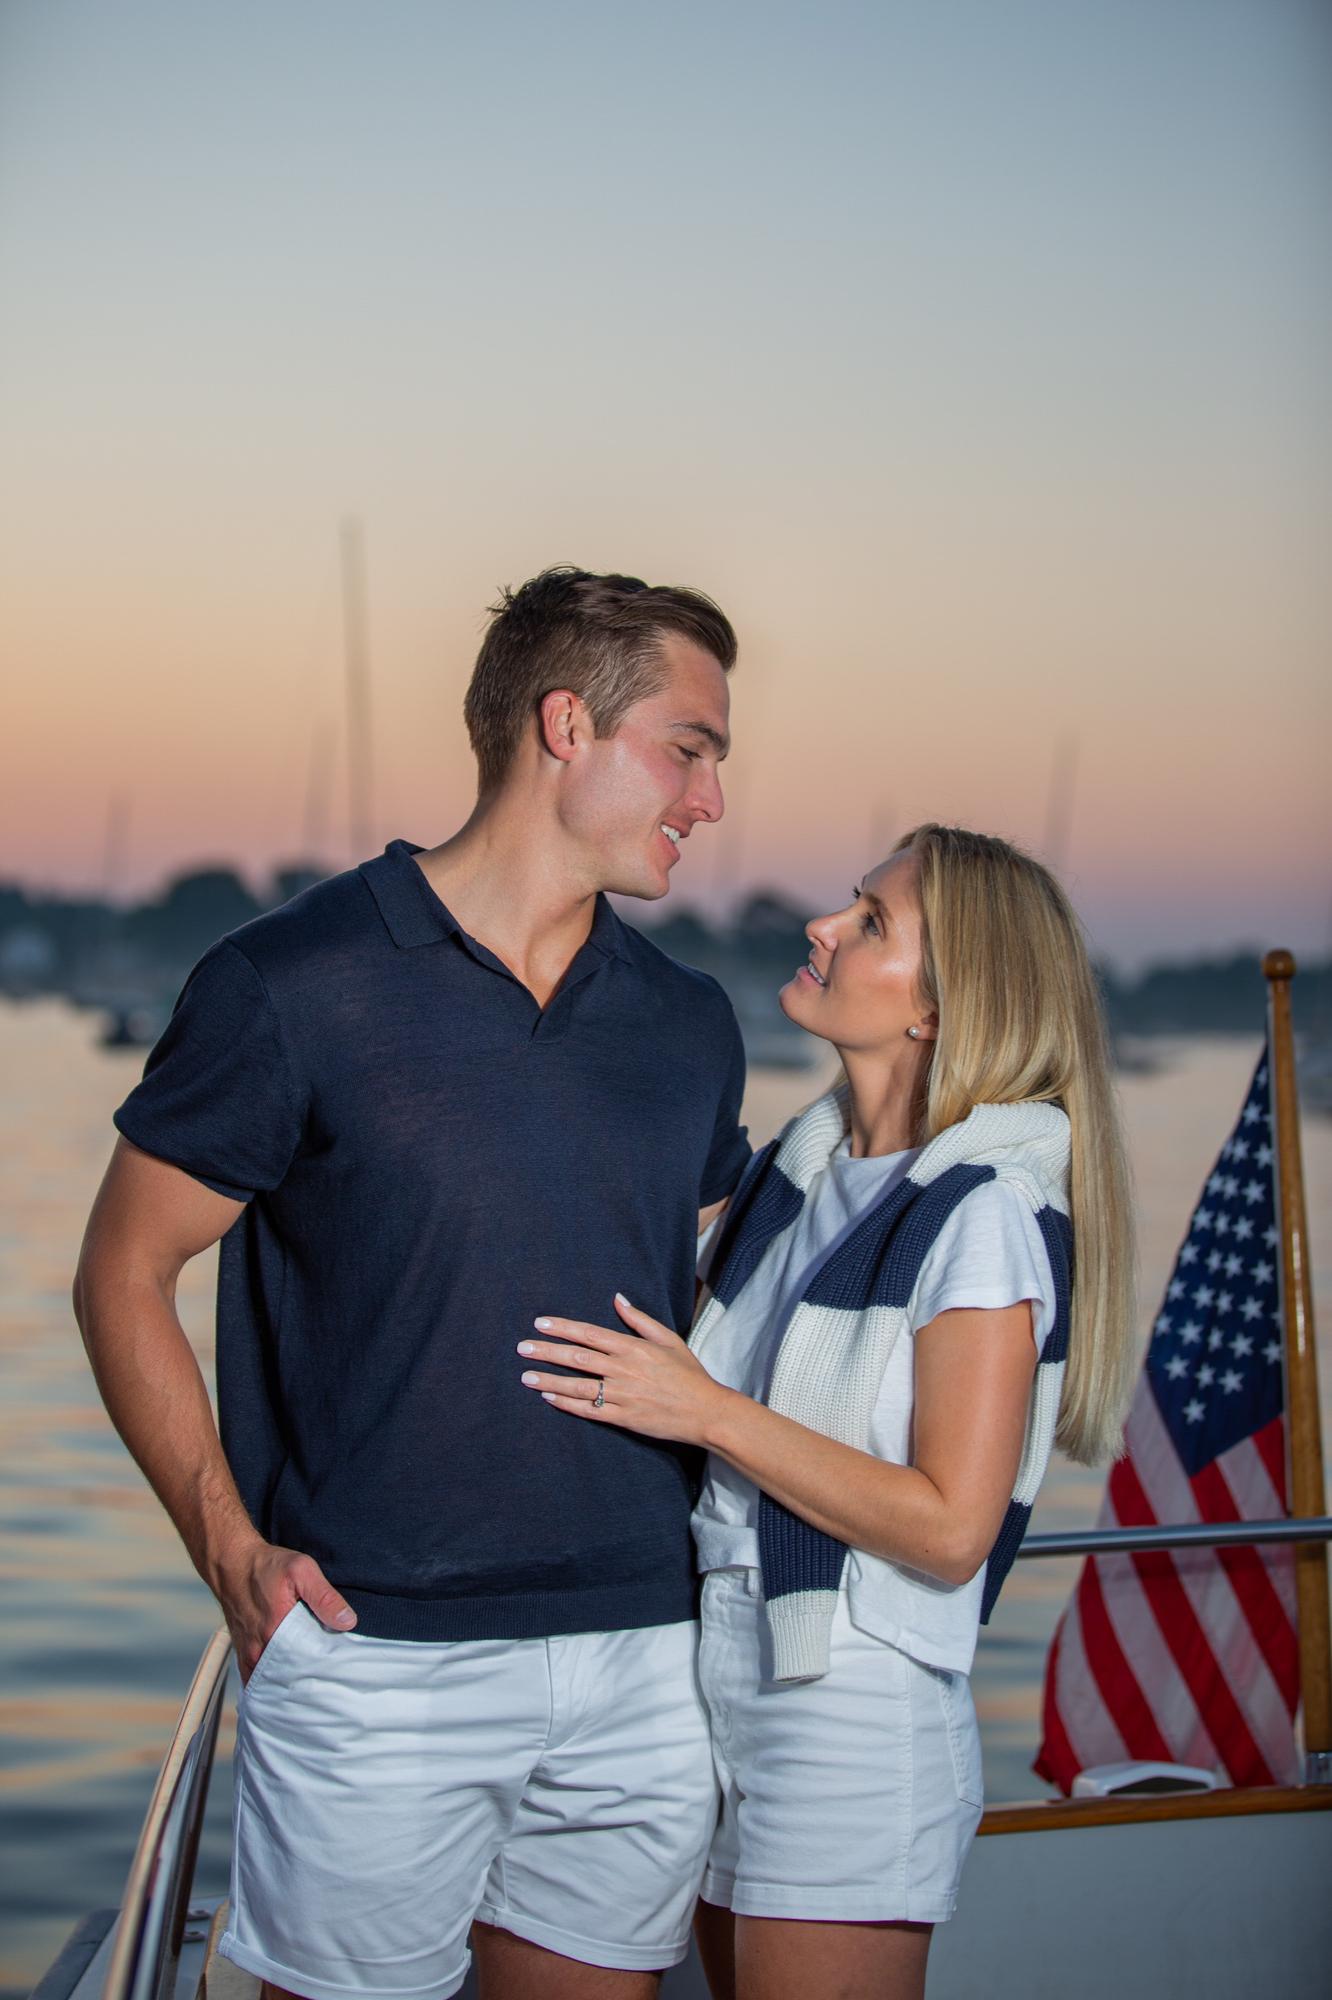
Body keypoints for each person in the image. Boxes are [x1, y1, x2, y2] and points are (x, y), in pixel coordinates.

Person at [73, 567, 754, 2000]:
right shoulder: (291, 981)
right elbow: (123, 1270)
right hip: (378, 1658)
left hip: (645, 1649)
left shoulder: (689, 1023)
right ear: (566, 724)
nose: (708, 799)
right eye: (689, 749)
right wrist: (224, 1544)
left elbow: (727, 1306)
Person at [517, 822, 1135, 2000]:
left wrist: (707, 1412)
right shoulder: (796, 1175)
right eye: (850, 901)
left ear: (940, 1013)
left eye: (873, 921)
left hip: (851, 1713)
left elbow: (953, 1527)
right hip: (729, 1683)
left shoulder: (984, 1211)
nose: (824, 924)